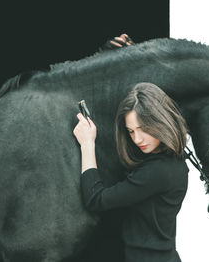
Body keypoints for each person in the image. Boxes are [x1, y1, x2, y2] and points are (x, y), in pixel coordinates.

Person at [73, 82, 189, 262]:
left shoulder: (157, 172)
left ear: (160, 121)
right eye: (131, 131)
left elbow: (96, 200)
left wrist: (87, 144)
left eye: (143, 129)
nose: (137, 139)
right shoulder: (174, 161)